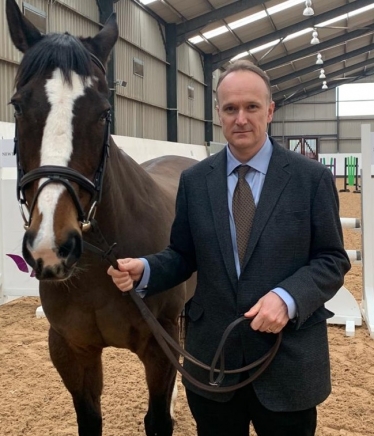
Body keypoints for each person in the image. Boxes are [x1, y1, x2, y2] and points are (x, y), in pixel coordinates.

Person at [107, 60, 351, 436]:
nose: (241, 118)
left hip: (288, 364)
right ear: (218, 113)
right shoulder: (194, 182)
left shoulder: (311, 180)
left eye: (251, 107)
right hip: (213, 363)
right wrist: (147, 269)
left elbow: (332, 260)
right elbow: (183, 255)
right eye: (231, 108)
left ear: (269, 111)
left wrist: (287, 298)